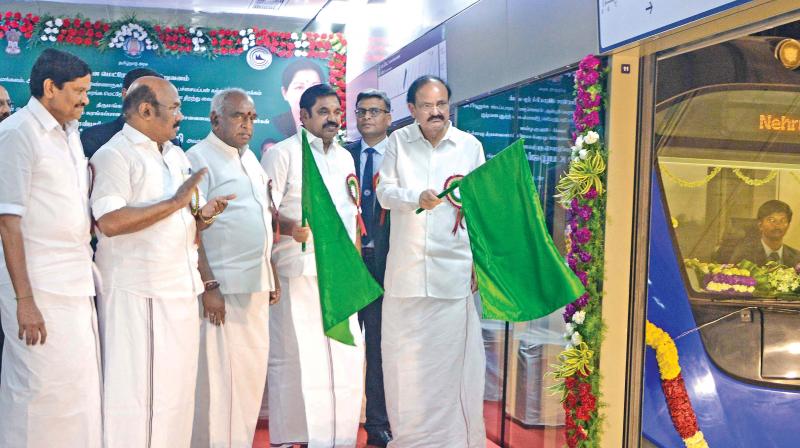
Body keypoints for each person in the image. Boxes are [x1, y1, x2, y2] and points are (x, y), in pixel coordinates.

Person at [90, 76, 233, 448]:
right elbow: (109, 221)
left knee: (175, 396)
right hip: (141, 294)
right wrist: (173, 204)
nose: (181, 116)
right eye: (175, 108)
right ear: (145, 110)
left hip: (179, 290)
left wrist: (201, 215)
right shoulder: (114, 154)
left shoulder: (174, 154)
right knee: (141, 400)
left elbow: (181, 216)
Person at [376, 75, 486, 447]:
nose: (436, 112)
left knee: (451, 368)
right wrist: (414, 197)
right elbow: (385, 193)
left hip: (453, 274)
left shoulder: (469, 146)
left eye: (442, 105)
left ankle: (453, 440)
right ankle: (409, 439)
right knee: (403, 366)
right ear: (412, 110)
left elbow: (480, 208)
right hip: (406, 276)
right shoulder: (397, 142)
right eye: (427, 106)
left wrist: (478, 264)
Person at [0, 48, 101, 447]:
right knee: (37, 388)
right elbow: (8, 223)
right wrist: (24, 300)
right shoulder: (16, 134)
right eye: (78, 91)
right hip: (37, 288)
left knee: (75, 388)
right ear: (49, 88)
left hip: (74, 281)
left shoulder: (69, 132)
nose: (85, 99)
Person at [261, 84, 365, 447]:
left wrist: (355, 269)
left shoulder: (345, 158)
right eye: (323, 111)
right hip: (298, 270)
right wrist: (290, 229)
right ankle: (293, 436)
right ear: (303, 117)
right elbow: (265, 212)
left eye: (336, 111)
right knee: (295, 356)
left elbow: (354, 215)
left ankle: (336, 435)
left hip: (340, 275)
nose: (332, 118)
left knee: (344, 358)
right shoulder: (283, 154)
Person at [187, 88, 280, 448]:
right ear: (215, 120)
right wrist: (209, 285)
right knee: (219, 381)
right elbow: (193, 226)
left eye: (252, 117)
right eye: (239, 116)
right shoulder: (199, 158)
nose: (247, 124)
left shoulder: (251, 159)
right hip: (221, 291)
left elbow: (261, 218)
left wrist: (270, 269)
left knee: (249, 378)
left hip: (254, 285)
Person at [345, 89, 393, 447]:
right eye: (361, 111)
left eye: (374, 111)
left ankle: (378, 425)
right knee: (345, 343)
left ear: (389, 116)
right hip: (349, 261)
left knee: (377, 345)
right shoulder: (343, 156)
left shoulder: (402, 153)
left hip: (387, 261)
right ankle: (340, 420)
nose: (366, 117)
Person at [80, 68, 166, 158]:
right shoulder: (94, 138)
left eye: (159, 97)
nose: (153, 102)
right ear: (125, 94)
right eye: (146, 95)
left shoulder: (169, 142)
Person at [727, 199, 800, 266]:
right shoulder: (744, 255)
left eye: (782, 220)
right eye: (771, 220)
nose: (777, 224)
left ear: (788, 225)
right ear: (760, 225)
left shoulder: (797, 257)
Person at [271, 59, 323, 138]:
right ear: (285, 93)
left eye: (314, 86)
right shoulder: (276, 126)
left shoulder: (330, 125)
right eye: (299, 87)